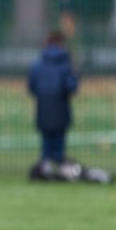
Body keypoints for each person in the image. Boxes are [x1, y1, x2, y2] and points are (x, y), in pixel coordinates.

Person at [27, 29, 78, 170]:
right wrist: (75, 75)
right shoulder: (66, 66)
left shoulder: (37, 65)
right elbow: (72, 87)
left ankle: (46, 168)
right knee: (59, 142)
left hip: (43, 108)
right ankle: (60, 168)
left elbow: (31, 87)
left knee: (46, 142)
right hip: (61, 108)